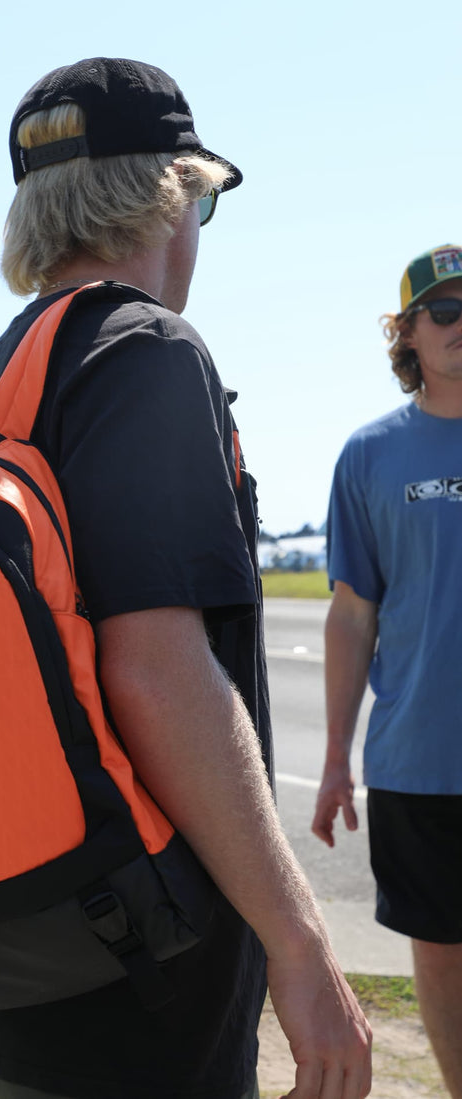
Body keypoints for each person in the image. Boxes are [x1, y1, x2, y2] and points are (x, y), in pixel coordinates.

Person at [0, 57, 371, 1099]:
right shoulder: (148, 352)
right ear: (168, 195)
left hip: (18, 947)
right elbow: (156, 670)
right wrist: (300, 940)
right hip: (144, 971)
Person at [312, 243, 462, 1097]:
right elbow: (352, 614)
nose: (458, 325)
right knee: (441, 962)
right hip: (417, 763)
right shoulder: (368, 456)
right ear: (404, 332)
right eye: (441, 311)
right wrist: (335, 757)